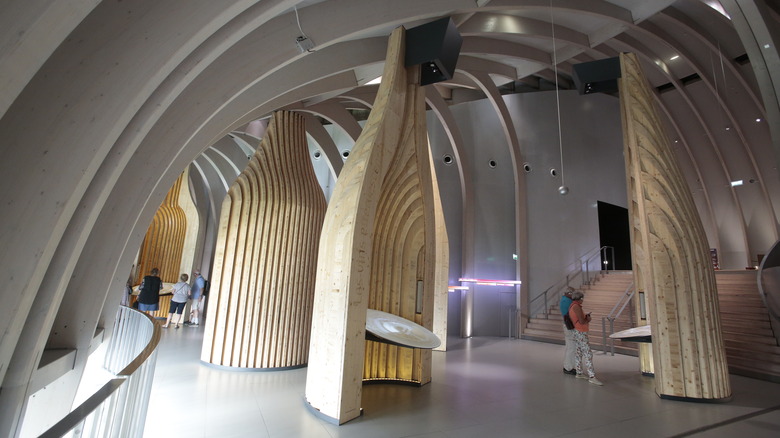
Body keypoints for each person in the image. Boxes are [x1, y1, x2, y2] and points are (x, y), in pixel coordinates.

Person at [568, 290, 603, 386]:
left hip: (577, 331)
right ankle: (592, 376)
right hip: (581, 332)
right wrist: (588, 318)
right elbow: (582, 321)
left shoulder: (572, 306)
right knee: (588, 353)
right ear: (580, 299)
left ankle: (579, 372)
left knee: (579, 352)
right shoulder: (576, 307)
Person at [560, 287, 576, 375]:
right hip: (569, 326)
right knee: (571, 347)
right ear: (569, 293)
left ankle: (568, 366)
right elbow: (572, 314)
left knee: (570, 347)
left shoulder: (564, 300)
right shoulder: (567, 301)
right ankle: (568, 367)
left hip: (567, 325)